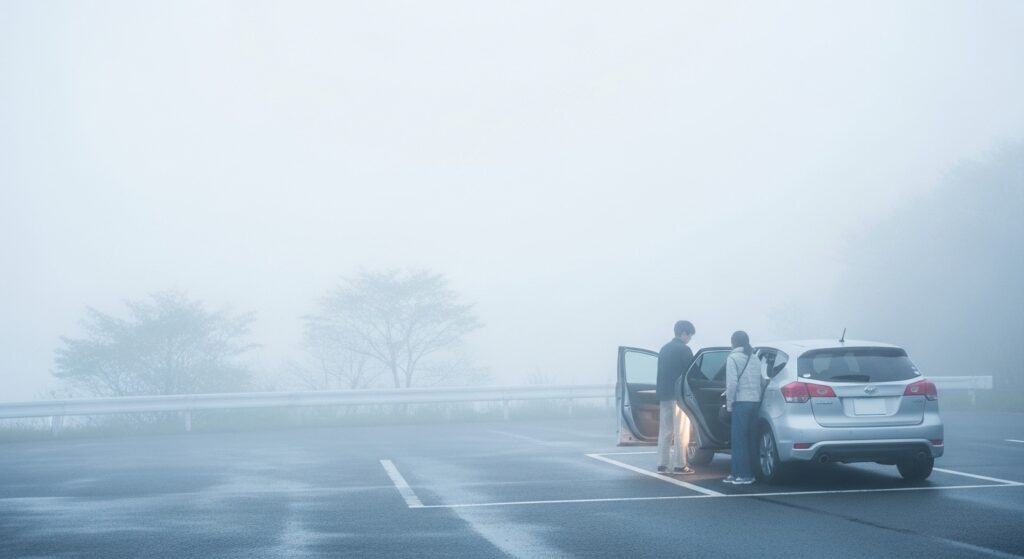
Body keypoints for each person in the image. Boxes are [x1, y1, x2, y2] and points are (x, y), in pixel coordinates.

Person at [656, 320, 696, 474]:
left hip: (664, 395)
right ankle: (680, 465)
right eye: (690, 335)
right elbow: (690, 373)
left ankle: (662, 464)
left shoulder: (664, 349)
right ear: (684, 333)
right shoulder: (684, 350)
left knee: (665, 431)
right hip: (678, 396)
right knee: (681, 431)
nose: (690, 338)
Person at [723, 330, 762, 485]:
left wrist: (730, 402)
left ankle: (743, 474)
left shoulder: (732, 358)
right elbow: (761, 380)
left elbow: (731, 384)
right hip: (755, 402)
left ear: (733, 342)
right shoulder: (755, 358)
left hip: (740, 402)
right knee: (751, 439)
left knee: (738, 440)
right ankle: (740, 473)